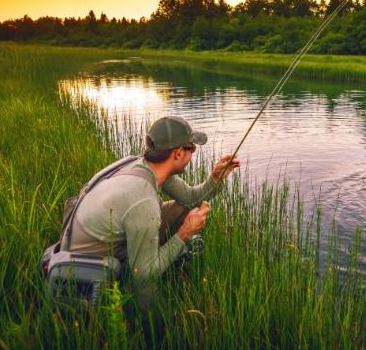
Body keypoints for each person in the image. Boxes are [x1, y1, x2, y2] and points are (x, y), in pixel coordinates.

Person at [63, 115, 240, 295]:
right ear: (178, 153)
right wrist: (184, 233)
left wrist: (215, 179)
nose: (192, 154)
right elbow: (142, 274)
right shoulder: (143, 200)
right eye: (192, 148)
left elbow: (190, 200)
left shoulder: (144, 165)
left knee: (181, 209)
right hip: (90, 268)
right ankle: (146, 319)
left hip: (103, 241)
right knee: (146, 283)